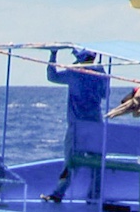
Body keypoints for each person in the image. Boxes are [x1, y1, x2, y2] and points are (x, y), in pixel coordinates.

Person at [44, 48, 110, 202]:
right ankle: (94, 195)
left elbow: (52, 76)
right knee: (98, 163)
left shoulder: (74, 72)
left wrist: (53, 54)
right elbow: (105, 95)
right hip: (96, 124)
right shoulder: (101, 73)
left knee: (70, 161)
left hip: (77, 127)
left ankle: (58, 193)